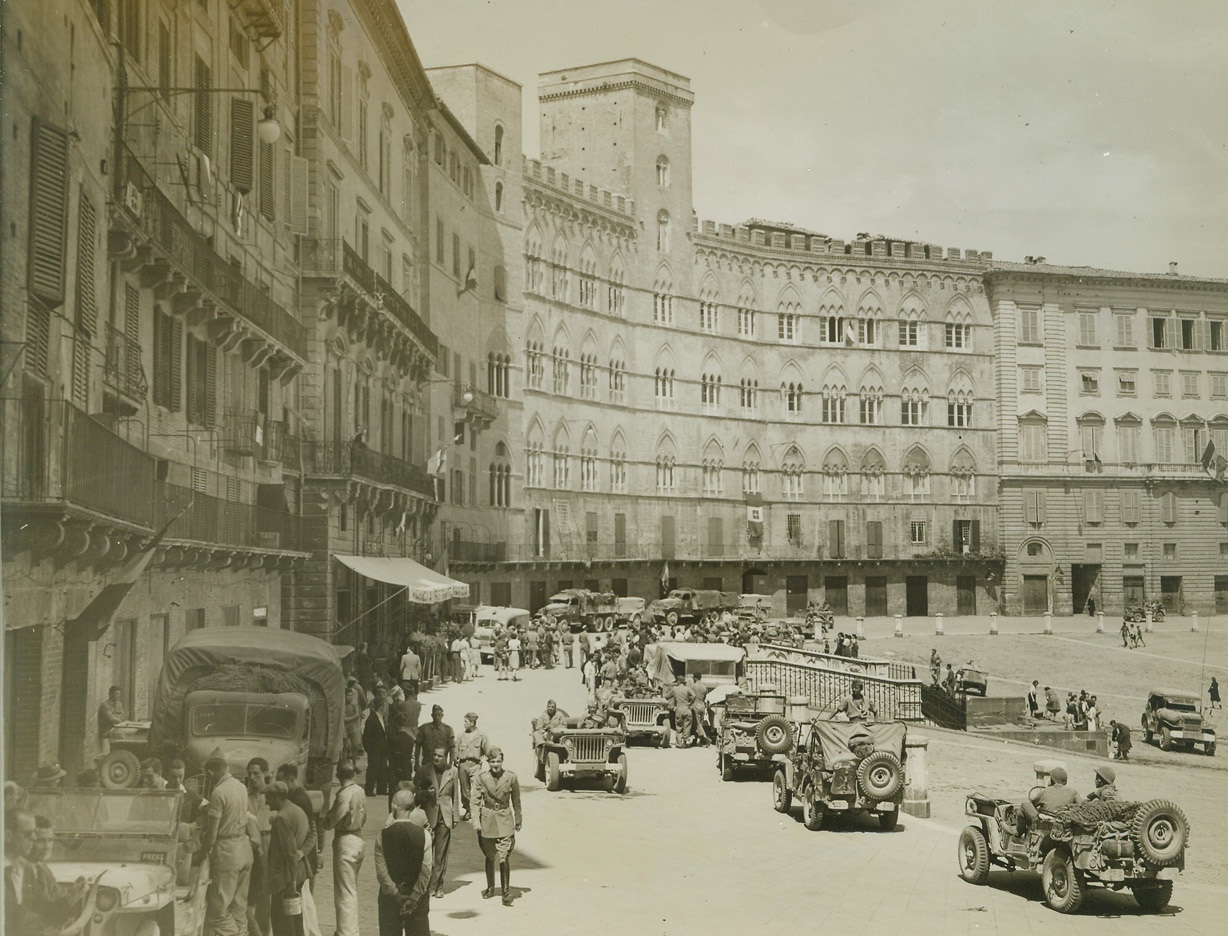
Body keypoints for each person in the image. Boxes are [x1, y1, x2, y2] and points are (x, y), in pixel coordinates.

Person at [196, 755, 254, 936]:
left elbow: (212, 835)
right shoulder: (241, 787)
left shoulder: (218, 793)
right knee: (239, 906)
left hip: (227, 852)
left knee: (218, 912)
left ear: (210, 772)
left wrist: (201, 853)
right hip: (244, 847)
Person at [5, 807, 85, 935]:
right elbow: (30, 917)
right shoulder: (18, 870)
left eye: (51, 840)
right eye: (41, 840)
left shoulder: (39, 869)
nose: (47, 846)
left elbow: (53, 901)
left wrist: (73, 894)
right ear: (8, 836)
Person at [470, 747, 522, 907]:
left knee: (504, 854)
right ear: (488, 762)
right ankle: (491, 887)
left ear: (502, 761)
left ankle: (505, 892)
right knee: (489, 854)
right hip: (487, 818)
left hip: (505, 817)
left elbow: (516, 800)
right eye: (492, 762)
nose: (495, 765)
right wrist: (476, 820)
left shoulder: (511, 777)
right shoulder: (481, 778)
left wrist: (518, 818)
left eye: (498, 761)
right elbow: (474, 800)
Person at [375, 790, 432, 936]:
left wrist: (397, 895)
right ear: (413, 808)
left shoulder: (382, 836)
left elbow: (382, 873)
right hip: (418, 899)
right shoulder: (424, 835)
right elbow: (426, 871)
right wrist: (414, 896)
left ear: (394, 806)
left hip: (390, 898)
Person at [322, 761, 366, 936]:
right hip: (359, 838)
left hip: (346, 841)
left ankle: (346, 932)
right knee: (351, 887)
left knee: (345, 893)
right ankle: (349, 930)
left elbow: (331, 821)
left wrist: (323, 819)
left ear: (338, 776)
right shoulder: (360, 790)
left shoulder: (343, 795)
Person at [414, 746, 461, 900]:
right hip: (428, 817)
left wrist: (455, 817)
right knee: (425, 854)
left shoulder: (452, 772)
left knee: (441, 854)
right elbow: (414, 795)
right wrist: (426, 794)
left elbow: (454, 795)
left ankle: (438, 885)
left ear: (446, 757)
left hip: (444, 817)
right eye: (434, 755)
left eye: (440, 756)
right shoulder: (424, 771)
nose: (436, 758)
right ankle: (425, 885)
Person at [266, 782, 310, 936]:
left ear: (277, 797)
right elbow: (311, 836)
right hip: (298, 873)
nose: (266, 802)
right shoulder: (297, 811)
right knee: (295, 919)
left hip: (285, 879)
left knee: (282, 923)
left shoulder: (281, 818)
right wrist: (302, 852)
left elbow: (289, 854)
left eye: (268, 798)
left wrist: (290, 883)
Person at [246, 757, 273, 936]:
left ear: (265, 774)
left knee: (265, 889)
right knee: (250, 889)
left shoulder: (272, 796)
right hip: (250, 844)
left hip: (268, 841)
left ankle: (264, 929)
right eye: (250, 774)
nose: (252, 777)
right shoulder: (245, 797)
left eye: (256, 773)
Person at [455, 713, 490, 821]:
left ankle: (477, 809)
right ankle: (468, 810)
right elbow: (455, 751)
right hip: (463, 765)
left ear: (472, 722)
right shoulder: (461, 736)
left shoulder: (481, 736)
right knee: (465, 790)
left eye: (466, 722)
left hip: (475, 765)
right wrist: (455, 761)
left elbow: (487, 751)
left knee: (477, 788)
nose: (464, 724)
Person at [364, 685, 390, 798]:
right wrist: (369, 748)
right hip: (374, 749)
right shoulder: (372, 719)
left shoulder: (381, 718)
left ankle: (381, 788)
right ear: (381, 707)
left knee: (382, 769)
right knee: (373, 769)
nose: (385, 708)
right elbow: (366, 736)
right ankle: (369, 789)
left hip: (382, 748)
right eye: (384, 706)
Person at [665, 675, 693, 747]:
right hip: (687, 708)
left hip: (679, 709)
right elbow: (694, 695)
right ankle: (685, 742)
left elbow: (667, 697)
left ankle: (679, 743)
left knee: (679, 726)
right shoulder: (687, 688)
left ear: (678, 681)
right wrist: (690, 703)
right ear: (684, 681)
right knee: (687, 725)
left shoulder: (675, 689)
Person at [97, 685, 126, 754]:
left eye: (119, 694)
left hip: (116, 729)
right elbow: (111, 718)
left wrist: (119, 719)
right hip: (107, 732)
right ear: (110, 694)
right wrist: (119, 720)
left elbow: (123, 716)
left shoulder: (119, 704)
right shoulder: (105, 705)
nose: (118, 696)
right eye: (116, 694)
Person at [689, 674, 713, 746]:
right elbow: (705, 697)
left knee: (697, 724)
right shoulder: (704, 686)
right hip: (702, 705)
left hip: (695, 705)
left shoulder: (692, 686)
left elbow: (690, 696)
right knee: (700, 724)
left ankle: (706, 739)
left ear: (695, 678)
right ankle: (696, 740)